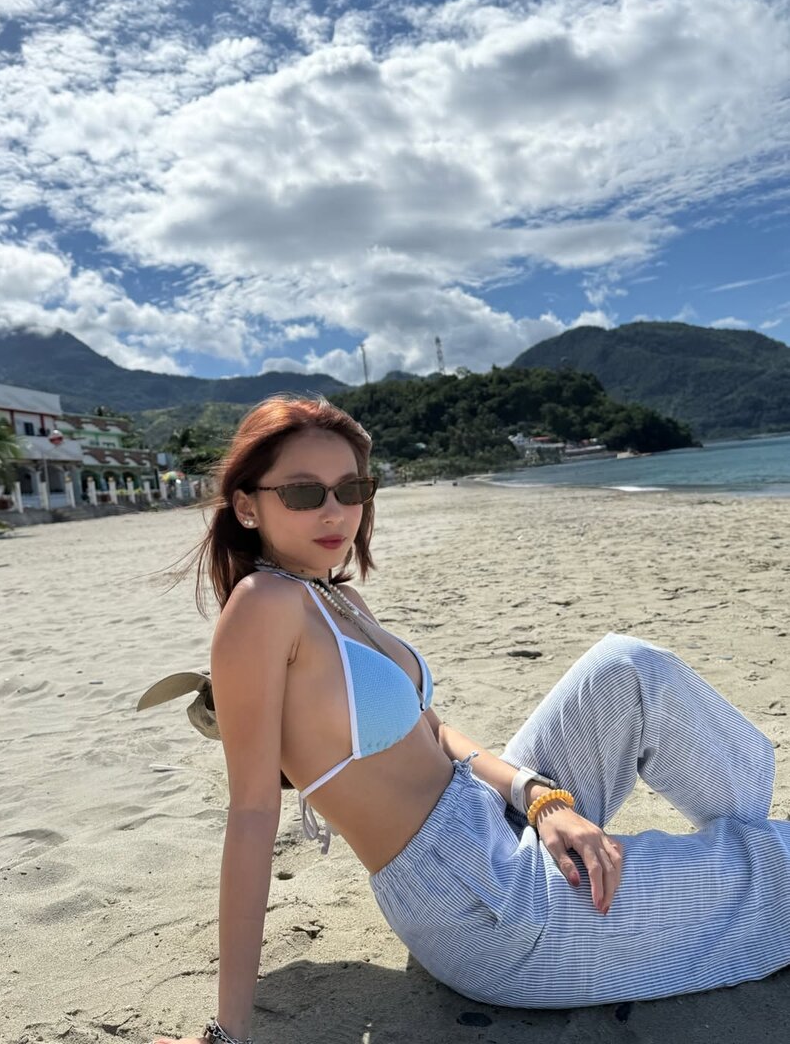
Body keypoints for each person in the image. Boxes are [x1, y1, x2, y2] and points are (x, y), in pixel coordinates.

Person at [150, 395, 790, 1044]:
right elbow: (252, 815)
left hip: (491, 811)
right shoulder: (262, 605)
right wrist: (227, 1032)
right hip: (484, 904)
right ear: (247, 505)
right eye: (303, 492)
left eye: (351, 488)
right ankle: (750, 858)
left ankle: (744, 842)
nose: (335, 511)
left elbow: (433, 731)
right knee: (782, 871)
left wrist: (537, 796)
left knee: (628, 667)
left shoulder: (339, 599)